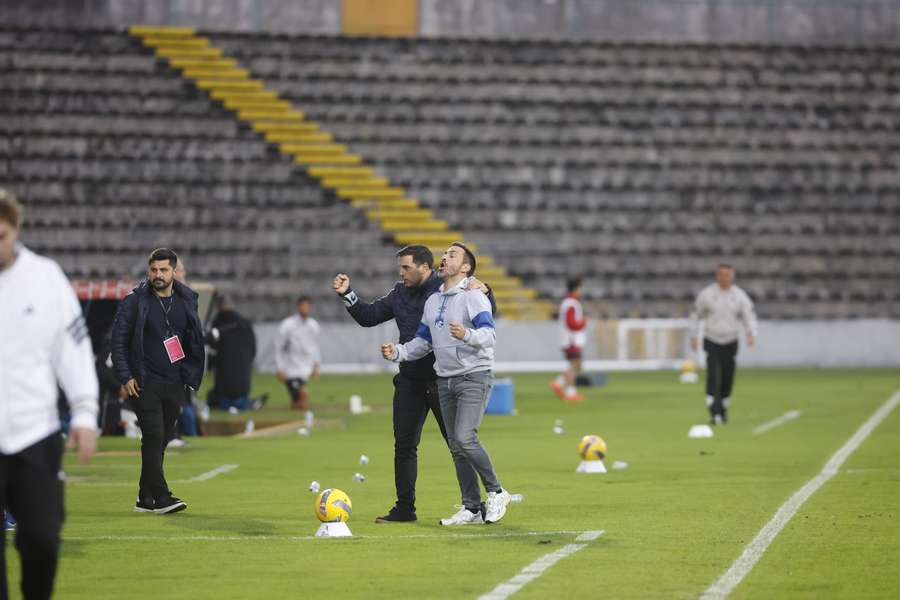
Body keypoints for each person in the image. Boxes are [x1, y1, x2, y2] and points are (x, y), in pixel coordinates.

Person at [332, 245, 496, 524]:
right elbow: (369, 316)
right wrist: (348, 295)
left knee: (459, 444)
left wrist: (486, 289)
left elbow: (480, 308)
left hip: (441, 378)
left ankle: (475, 505)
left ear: (424, 267)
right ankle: (405, 509)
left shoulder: (445, 287)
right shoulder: (399, 294)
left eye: (406, 267)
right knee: (404, 446)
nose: (401, 273)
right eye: (400, 268)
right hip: (409, 378)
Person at [0, 188, 99, 600]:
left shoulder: (45, 277)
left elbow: (73, 349)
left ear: (16, 230)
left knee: (41, 538)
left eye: (0, 235)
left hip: (35, 432)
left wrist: (84, 412)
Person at [381, 242, 511, 525]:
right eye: (444, 254)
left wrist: (467, 335)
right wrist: (399, 353)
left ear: (465, 267)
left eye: (452, 255)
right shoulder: (433, 301)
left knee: (465, 438)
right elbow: (423, 342)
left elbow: (489, 335)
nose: (444, 258)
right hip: (445, 378)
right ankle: (472, 508)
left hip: (474, 375)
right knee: (455, 445)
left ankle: (497, 491)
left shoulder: (474, 297)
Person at [111, 248, 205, 514]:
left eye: (164, 270)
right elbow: (117, 341)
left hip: (174, 382)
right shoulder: (134, 301)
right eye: (154, 270)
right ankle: (162, 497)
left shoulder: (187, 301)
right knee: (153, 435)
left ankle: (145, 495)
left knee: (161, 438)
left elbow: (193, 340)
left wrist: (189, 373)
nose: (158, 275)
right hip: (144, 382)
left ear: (174, 271)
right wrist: (125, 374)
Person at [689, 263, 758, 425]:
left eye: (728, 275)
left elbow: (749, 316)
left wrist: (751, 333)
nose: (725, 278)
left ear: (732, 276)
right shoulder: (707, 294)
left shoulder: (739, 296)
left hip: (731, 340)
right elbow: (695, 314)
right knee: (713, 374)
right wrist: (693, 336)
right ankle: (714, 410)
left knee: (728, 376)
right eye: (722, 274)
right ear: (717, 276)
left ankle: (723, 407)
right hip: (711, 339)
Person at [206, 295, 259, 413]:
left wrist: (210, 367)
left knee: (224, 402)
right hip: (243, 372)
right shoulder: (245, 323)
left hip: (224, 374)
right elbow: (253, 348)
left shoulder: (218, 322)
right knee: (240, 399)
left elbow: (212, 348)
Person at [274, 296, 320, 410]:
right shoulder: (287, 325)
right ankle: (301, 420)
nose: (305, 308)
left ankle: (294, 416)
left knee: (297, 401)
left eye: (307, 306)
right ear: (298, 307)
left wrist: (317, 364)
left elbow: (314, 346)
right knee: (303, 395)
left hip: (305, 368)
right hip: (290, 368)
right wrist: (280, 368)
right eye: (303, 306)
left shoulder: (313, 325)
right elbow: (278, 347)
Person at [551, 276, 587, 402]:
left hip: (568, 339)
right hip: (571, 340)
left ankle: (559, 383)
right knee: (575, 364)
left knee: (577, 364)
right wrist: (583, 323)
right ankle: (570, 391)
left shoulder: (567, 303)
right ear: (576, 289)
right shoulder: (572, 304)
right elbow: (571, 323)